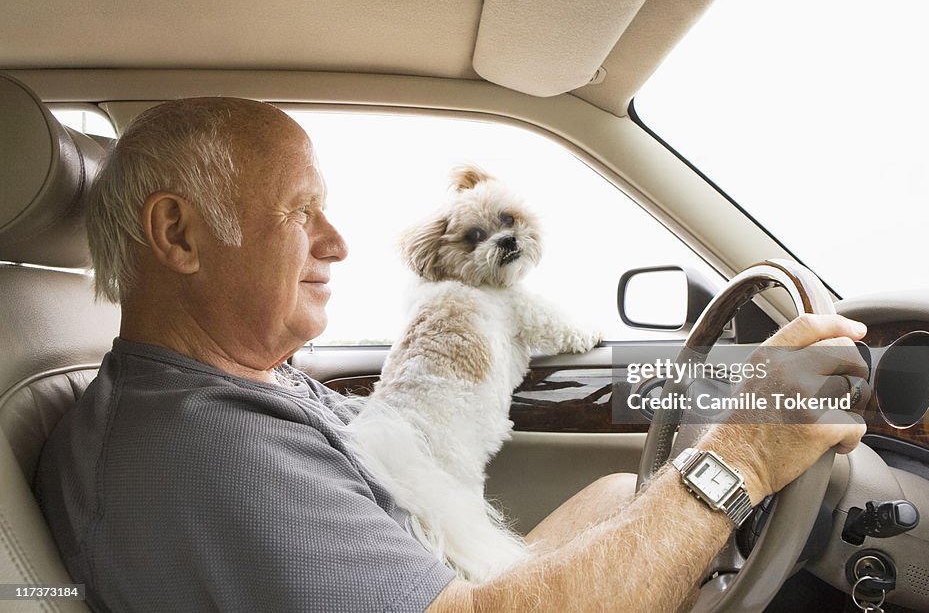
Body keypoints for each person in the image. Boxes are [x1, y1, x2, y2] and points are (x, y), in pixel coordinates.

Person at [35, 97, 867, 612]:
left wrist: (676, 491)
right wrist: (742, 456)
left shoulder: (236, 383)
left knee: (623, 490)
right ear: (178, 233)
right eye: (302, 212)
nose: (338, 241)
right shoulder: (205, 445)